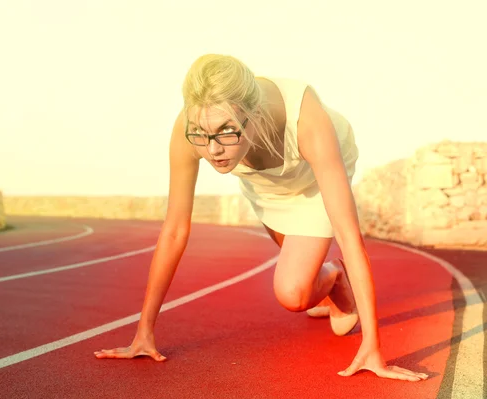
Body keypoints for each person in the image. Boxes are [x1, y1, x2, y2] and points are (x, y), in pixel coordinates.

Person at [94, 54, 428, 382]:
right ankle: (333, 282)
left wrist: (373, 347)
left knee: (294, 294)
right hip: (267, 188)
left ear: (254, 115)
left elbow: (349, 237)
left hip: (314, 176)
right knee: (299, 268)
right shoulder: (192, 128)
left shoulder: (306, 120)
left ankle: (334, 275)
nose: (213, 151)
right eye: (201, 134)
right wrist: (144, 332)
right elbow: (175, 230)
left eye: (226, 131)